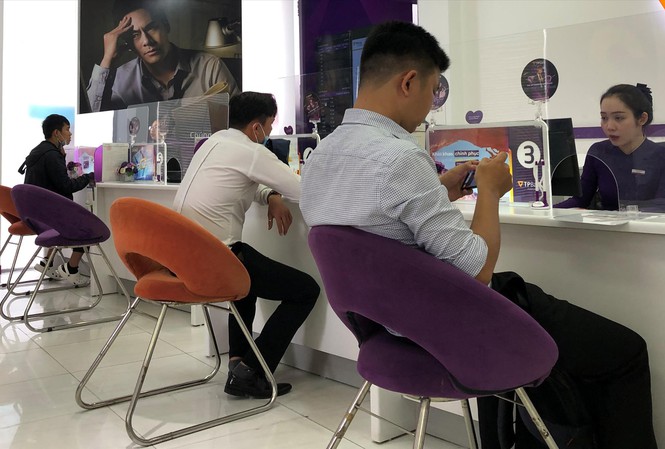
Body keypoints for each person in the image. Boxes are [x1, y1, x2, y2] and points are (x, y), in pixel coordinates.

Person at [299, 21, 657, 449]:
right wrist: (489, 191)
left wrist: (437, 192)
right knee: (625, 351)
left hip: (386, 332)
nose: (431, 108)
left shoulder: (321, 158)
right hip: (454, 328)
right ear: (409, 82)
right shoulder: (398, 158)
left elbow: (374, 225)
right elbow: (478, 270)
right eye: (433, 91)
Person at [173, 91, 320, 399]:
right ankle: (254, 371)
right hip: (216, 259)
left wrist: (271, 195)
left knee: (246, 280)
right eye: (269, 125)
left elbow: (246, 181)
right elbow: (303, 191)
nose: (269, 132)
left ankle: (238, 363)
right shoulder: (251, 151)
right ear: (256, 127)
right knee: (306, 290)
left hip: (182, 258)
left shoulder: (213, 143)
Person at [86, 0, 240, 112]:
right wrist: (107, 60)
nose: (147, 41)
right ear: (128, 43)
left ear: (166, 25)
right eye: (135, 35)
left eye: (151, 28)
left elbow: (241, 123)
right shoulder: (120, 80)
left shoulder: (210, 67)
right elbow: (91, 121)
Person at [555, 83, 665, 211]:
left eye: (618, 118)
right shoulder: (598, 152)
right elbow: (581, 199)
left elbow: (661, 205)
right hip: (606, 223)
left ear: (642, 119)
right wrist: (544, 212)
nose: (609, 126)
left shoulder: (660, 156)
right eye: (604, 118)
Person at [20, 114, 95, 286]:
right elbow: (66, 186)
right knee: (87, 227)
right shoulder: (52, 155)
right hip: (48, 216)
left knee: (67, 220)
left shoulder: (39, 151)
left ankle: (47, 263)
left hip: (36, 213)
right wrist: (88, 177)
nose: (70, 134)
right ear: (56, 133)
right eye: (67, 129)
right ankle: (71, 268)